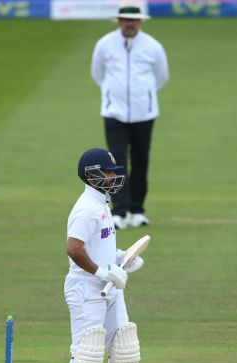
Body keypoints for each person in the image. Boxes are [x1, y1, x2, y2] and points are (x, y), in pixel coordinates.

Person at [64, 147, 151, 363]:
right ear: (92, 175)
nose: (114, 177)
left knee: (125, 345)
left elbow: (101, 248)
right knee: (87, 350)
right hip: (87, 287)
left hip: (110, 286)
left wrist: (122, 259)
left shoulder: (102, 204)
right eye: (109, 172)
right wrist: (103, 273)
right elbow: (74, 249)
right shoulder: (85, 208)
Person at [91, 4, 169, 230]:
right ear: (118, 21)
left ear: (140, 22)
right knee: (116, 162)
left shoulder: (152, 46)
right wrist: (111, 95)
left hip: (144, 114)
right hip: (114, 112)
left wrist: (143, 96)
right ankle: (119, 210)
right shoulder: (105, 44)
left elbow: (161, 76)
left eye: (133, 20)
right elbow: (97, 74)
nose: (129, 24)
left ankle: (136, 209)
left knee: (141, 160)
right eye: (125, 20)